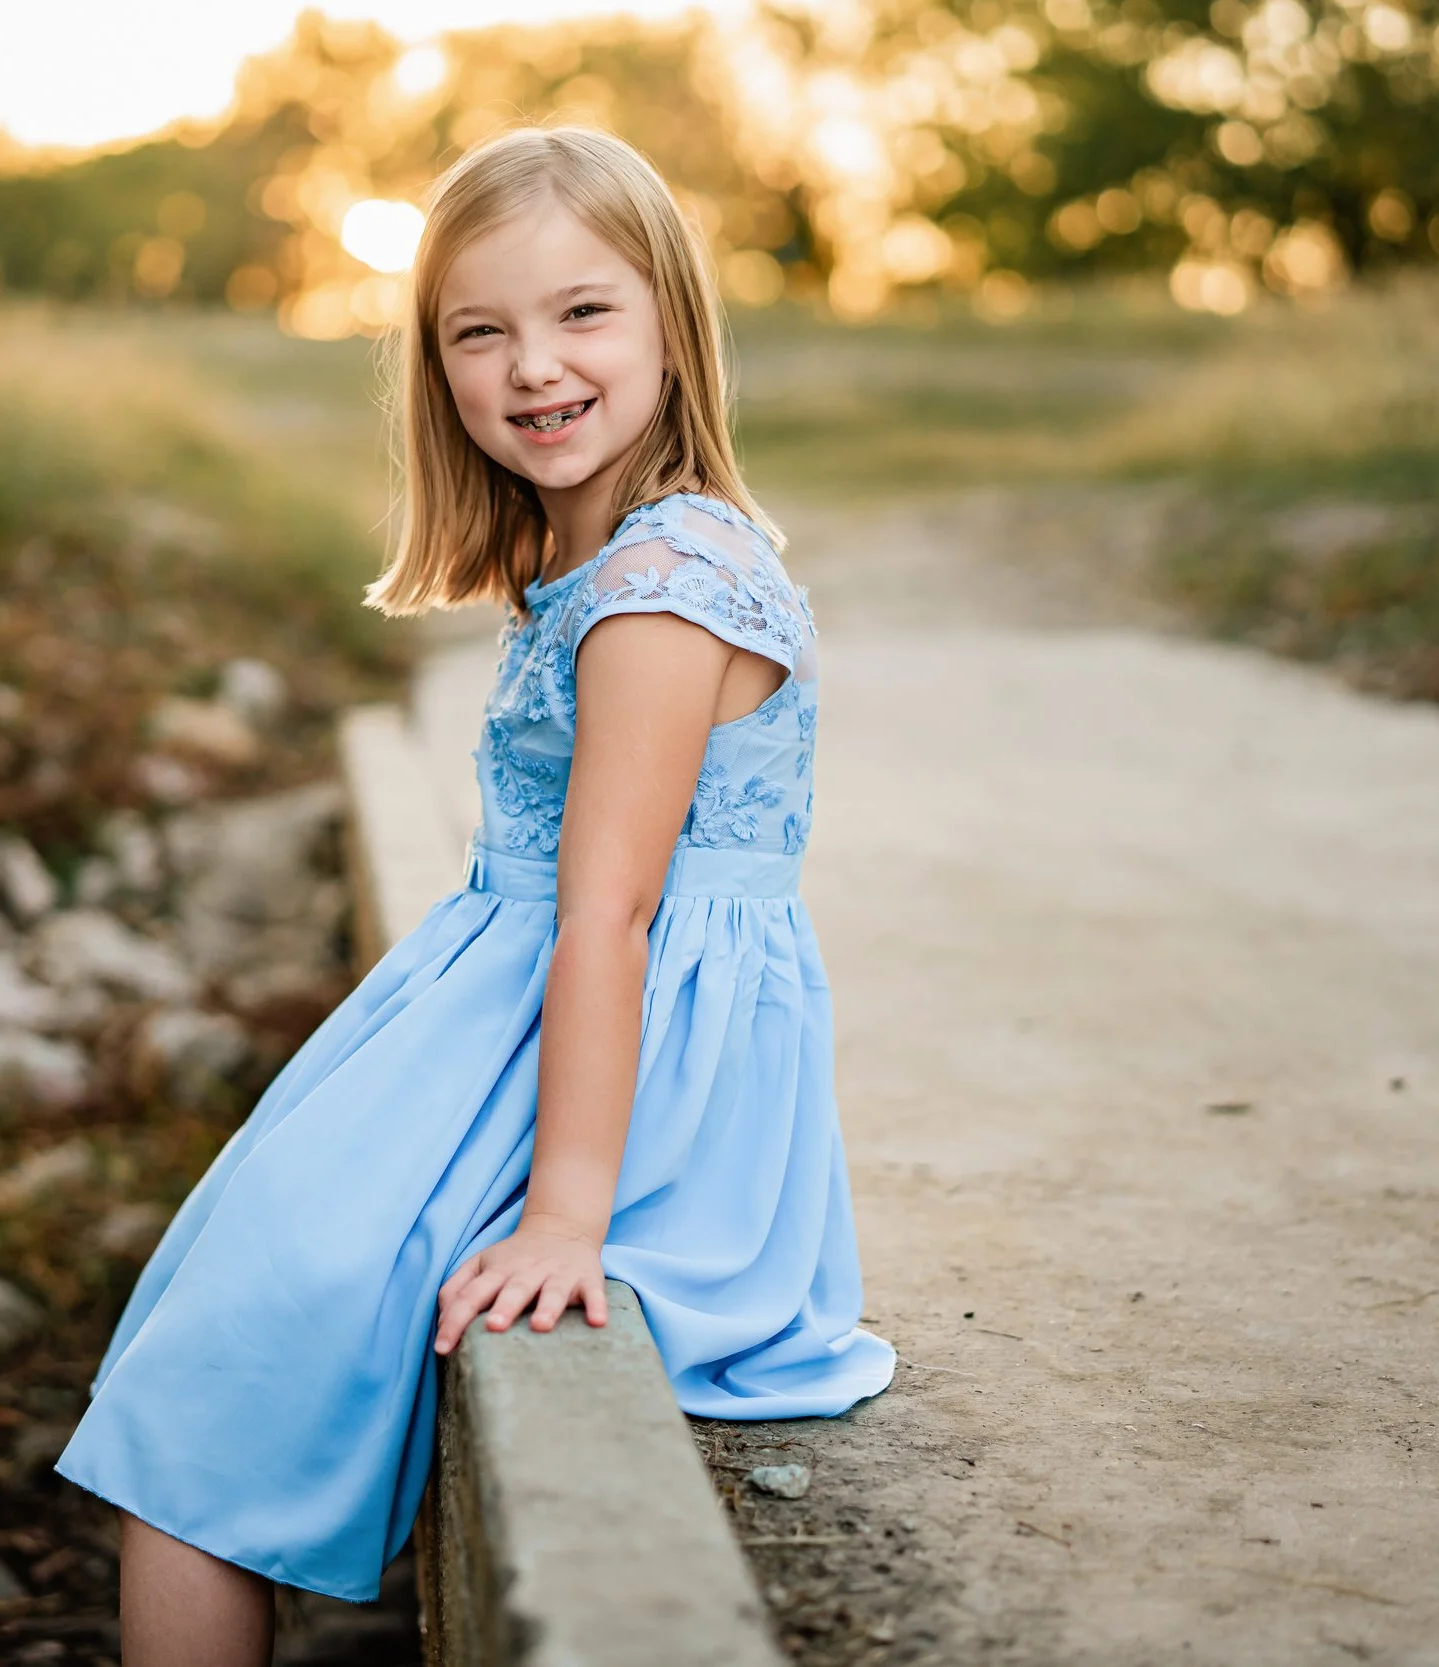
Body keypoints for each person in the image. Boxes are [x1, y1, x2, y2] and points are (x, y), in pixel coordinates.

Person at [55, 123, 895, 1665]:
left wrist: (571, 1213)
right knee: (221, 1308)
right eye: (479, 330)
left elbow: (611, 916)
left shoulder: (656, 594)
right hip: (515, 1018)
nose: (532, 366)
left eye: (583, 313)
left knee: (206, 1371)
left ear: (670, 324)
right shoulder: (614, 553)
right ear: (434, 364)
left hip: (608, 1072)